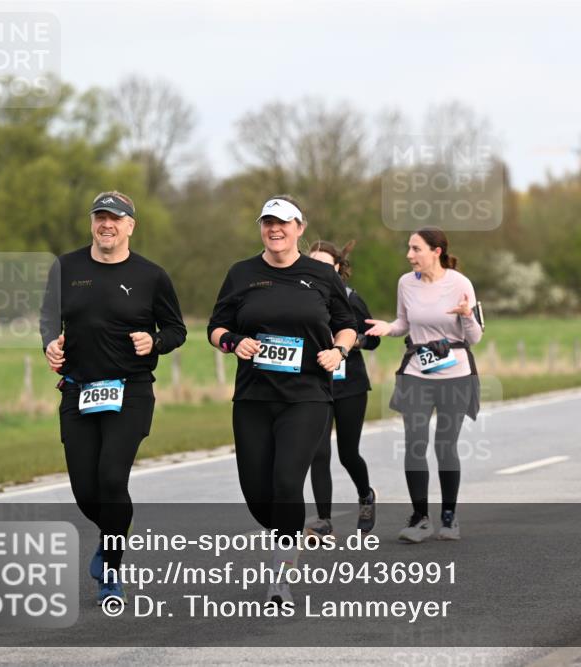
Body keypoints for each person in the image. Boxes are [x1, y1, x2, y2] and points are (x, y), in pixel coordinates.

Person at [207, 195, 357, 605]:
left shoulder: (321, 276)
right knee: (258, 495)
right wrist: (232, 342)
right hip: (254, 397)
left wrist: (338, 351)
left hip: (306, 396)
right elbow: (215, 327)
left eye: (284, 223)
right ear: (261, 228)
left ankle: (280, 575)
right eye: (268, 223)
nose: (275, 229)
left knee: (287, 481)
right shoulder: (241, 274)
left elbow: (347, 326)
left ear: (299, 228)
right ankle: (286, 534)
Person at [40, 191, 187, 605]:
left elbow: (177, 330)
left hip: (131, 391)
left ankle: (110, 568)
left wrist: (154, 341)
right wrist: (50, 343)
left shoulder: (151, 276)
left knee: (110, 478)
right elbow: (49, 317)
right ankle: (114, 531)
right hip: (78, 390)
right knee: (86, 490)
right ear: (92, 223)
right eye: (100, 217)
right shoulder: (65, 267)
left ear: (130, 226)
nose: (107, 224)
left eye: (115, 218)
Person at [364, 228, 482, 543]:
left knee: (445, 446)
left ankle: (449, 516)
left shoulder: (460, 283)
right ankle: (420, 518)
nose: (409, 255)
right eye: (409, 248)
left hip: (454, 373)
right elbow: (404, 322)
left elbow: (475, 337)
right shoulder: (406, 283)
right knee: (415, 443)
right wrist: (387, 327)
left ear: (436, 251)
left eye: (416, 249)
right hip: (417, 371)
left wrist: (467, 315)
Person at [304, 240, 380, 540]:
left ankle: (365, 495)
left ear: (338, 268)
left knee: (348, 453)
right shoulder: (299, 297)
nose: (320, 270)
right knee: (318, 452)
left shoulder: (351, 299)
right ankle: (324, 521)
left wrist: (347, 343)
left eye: (326, 264)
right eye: (314, 263)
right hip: (314, 385)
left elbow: (373, 339)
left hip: (350, 386)